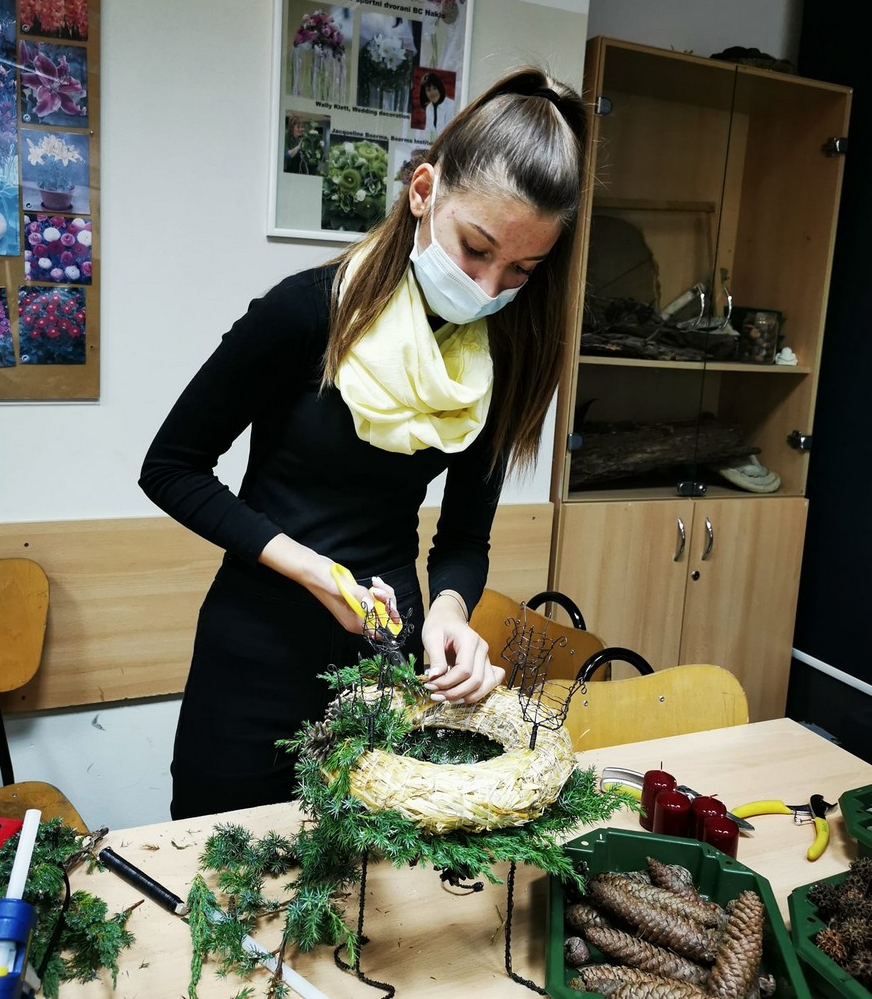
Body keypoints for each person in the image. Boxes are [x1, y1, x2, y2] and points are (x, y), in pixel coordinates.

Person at [139, 66, 588, 819]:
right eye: (476, 248)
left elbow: (463, 537)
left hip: (382, 658)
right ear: (423, 193)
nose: (487, 289)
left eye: (521, 269)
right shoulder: (305, 314)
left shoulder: (496, 358)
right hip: (254, 657)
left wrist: (448, 613)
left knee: (370, 900)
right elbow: (172, 468)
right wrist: (317, 573)